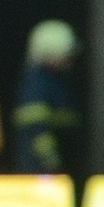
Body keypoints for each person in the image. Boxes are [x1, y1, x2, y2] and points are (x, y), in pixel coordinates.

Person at [12, 20, 82, 176]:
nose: (70, 60)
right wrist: (52, 162)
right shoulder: (37, 84)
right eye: (66, 55)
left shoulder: (57, 81)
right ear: (49, 52)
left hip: (57, 169)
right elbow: (36, 130)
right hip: (40, 173)